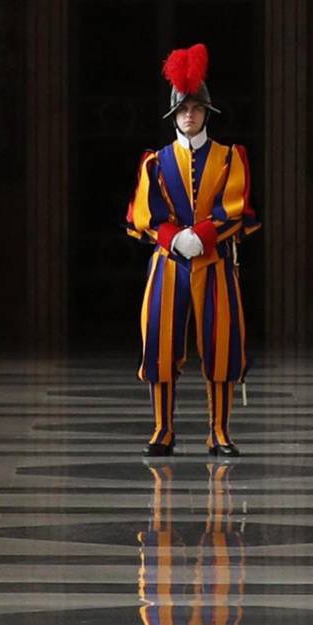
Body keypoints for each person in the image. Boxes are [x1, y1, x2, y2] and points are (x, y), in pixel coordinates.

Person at [125, 43, 260, 457]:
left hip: (214, 261)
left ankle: (219, 431)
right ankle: (162, 429)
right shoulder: (156, 161)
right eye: (183, 109)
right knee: (161, 346)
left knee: (220, 347)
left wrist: (201, 234)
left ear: (206, 112)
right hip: (168, 264)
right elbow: (145, 213)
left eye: (196, 108)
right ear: (174, 115)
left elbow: (235, 207)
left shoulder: (229, 157)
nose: (189, 115)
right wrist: (172, 237)